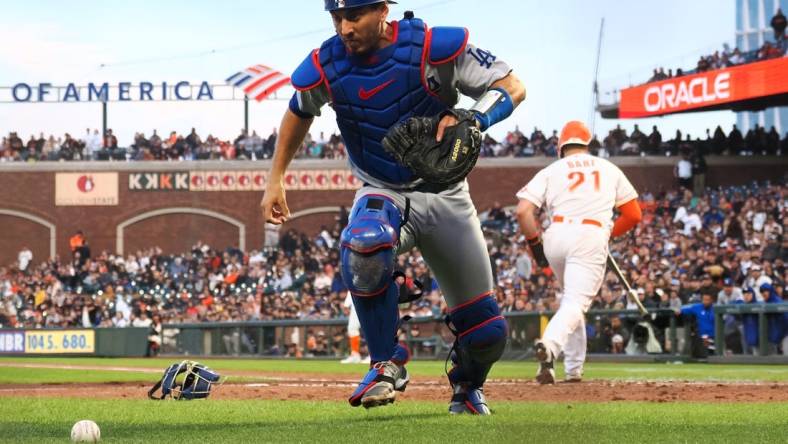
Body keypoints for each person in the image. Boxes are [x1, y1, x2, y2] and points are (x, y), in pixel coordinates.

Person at [260, 0, 525, 414]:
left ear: (383, 10)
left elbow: (512, 85)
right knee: (364, 241)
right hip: (381, 188)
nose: (344, 28)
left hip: (446, 193)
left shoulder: (432, 47)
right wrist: (275, 178)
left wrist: (473, 118)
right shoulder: (326, 64)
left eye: (354, 16)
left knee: (488, 333)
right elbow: (299, 110)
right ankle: (386, 363)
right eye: (336, 17)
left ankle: (467, 386)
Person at [515, 120, 641, 384]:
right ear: (587, 144)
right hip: (590, 233)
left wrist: (536, 248)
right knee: (575, 302)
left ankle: (572, 369)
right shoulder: (608, 168)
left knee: (570, 301)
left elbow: (523, 211)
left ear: (561, 147)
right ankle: (550, 345)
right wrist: (608, 234)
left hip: (555, 234)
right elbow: (633, 215)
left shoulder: (551, 170)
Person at [340, 292, 370, 364]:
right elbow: (351, 286)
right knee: (352, 329)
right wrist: (347, 304)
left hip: (369, 303)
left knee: (371, 329)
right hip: (355, 305)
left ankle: (374, 356)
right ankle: (355, 355)